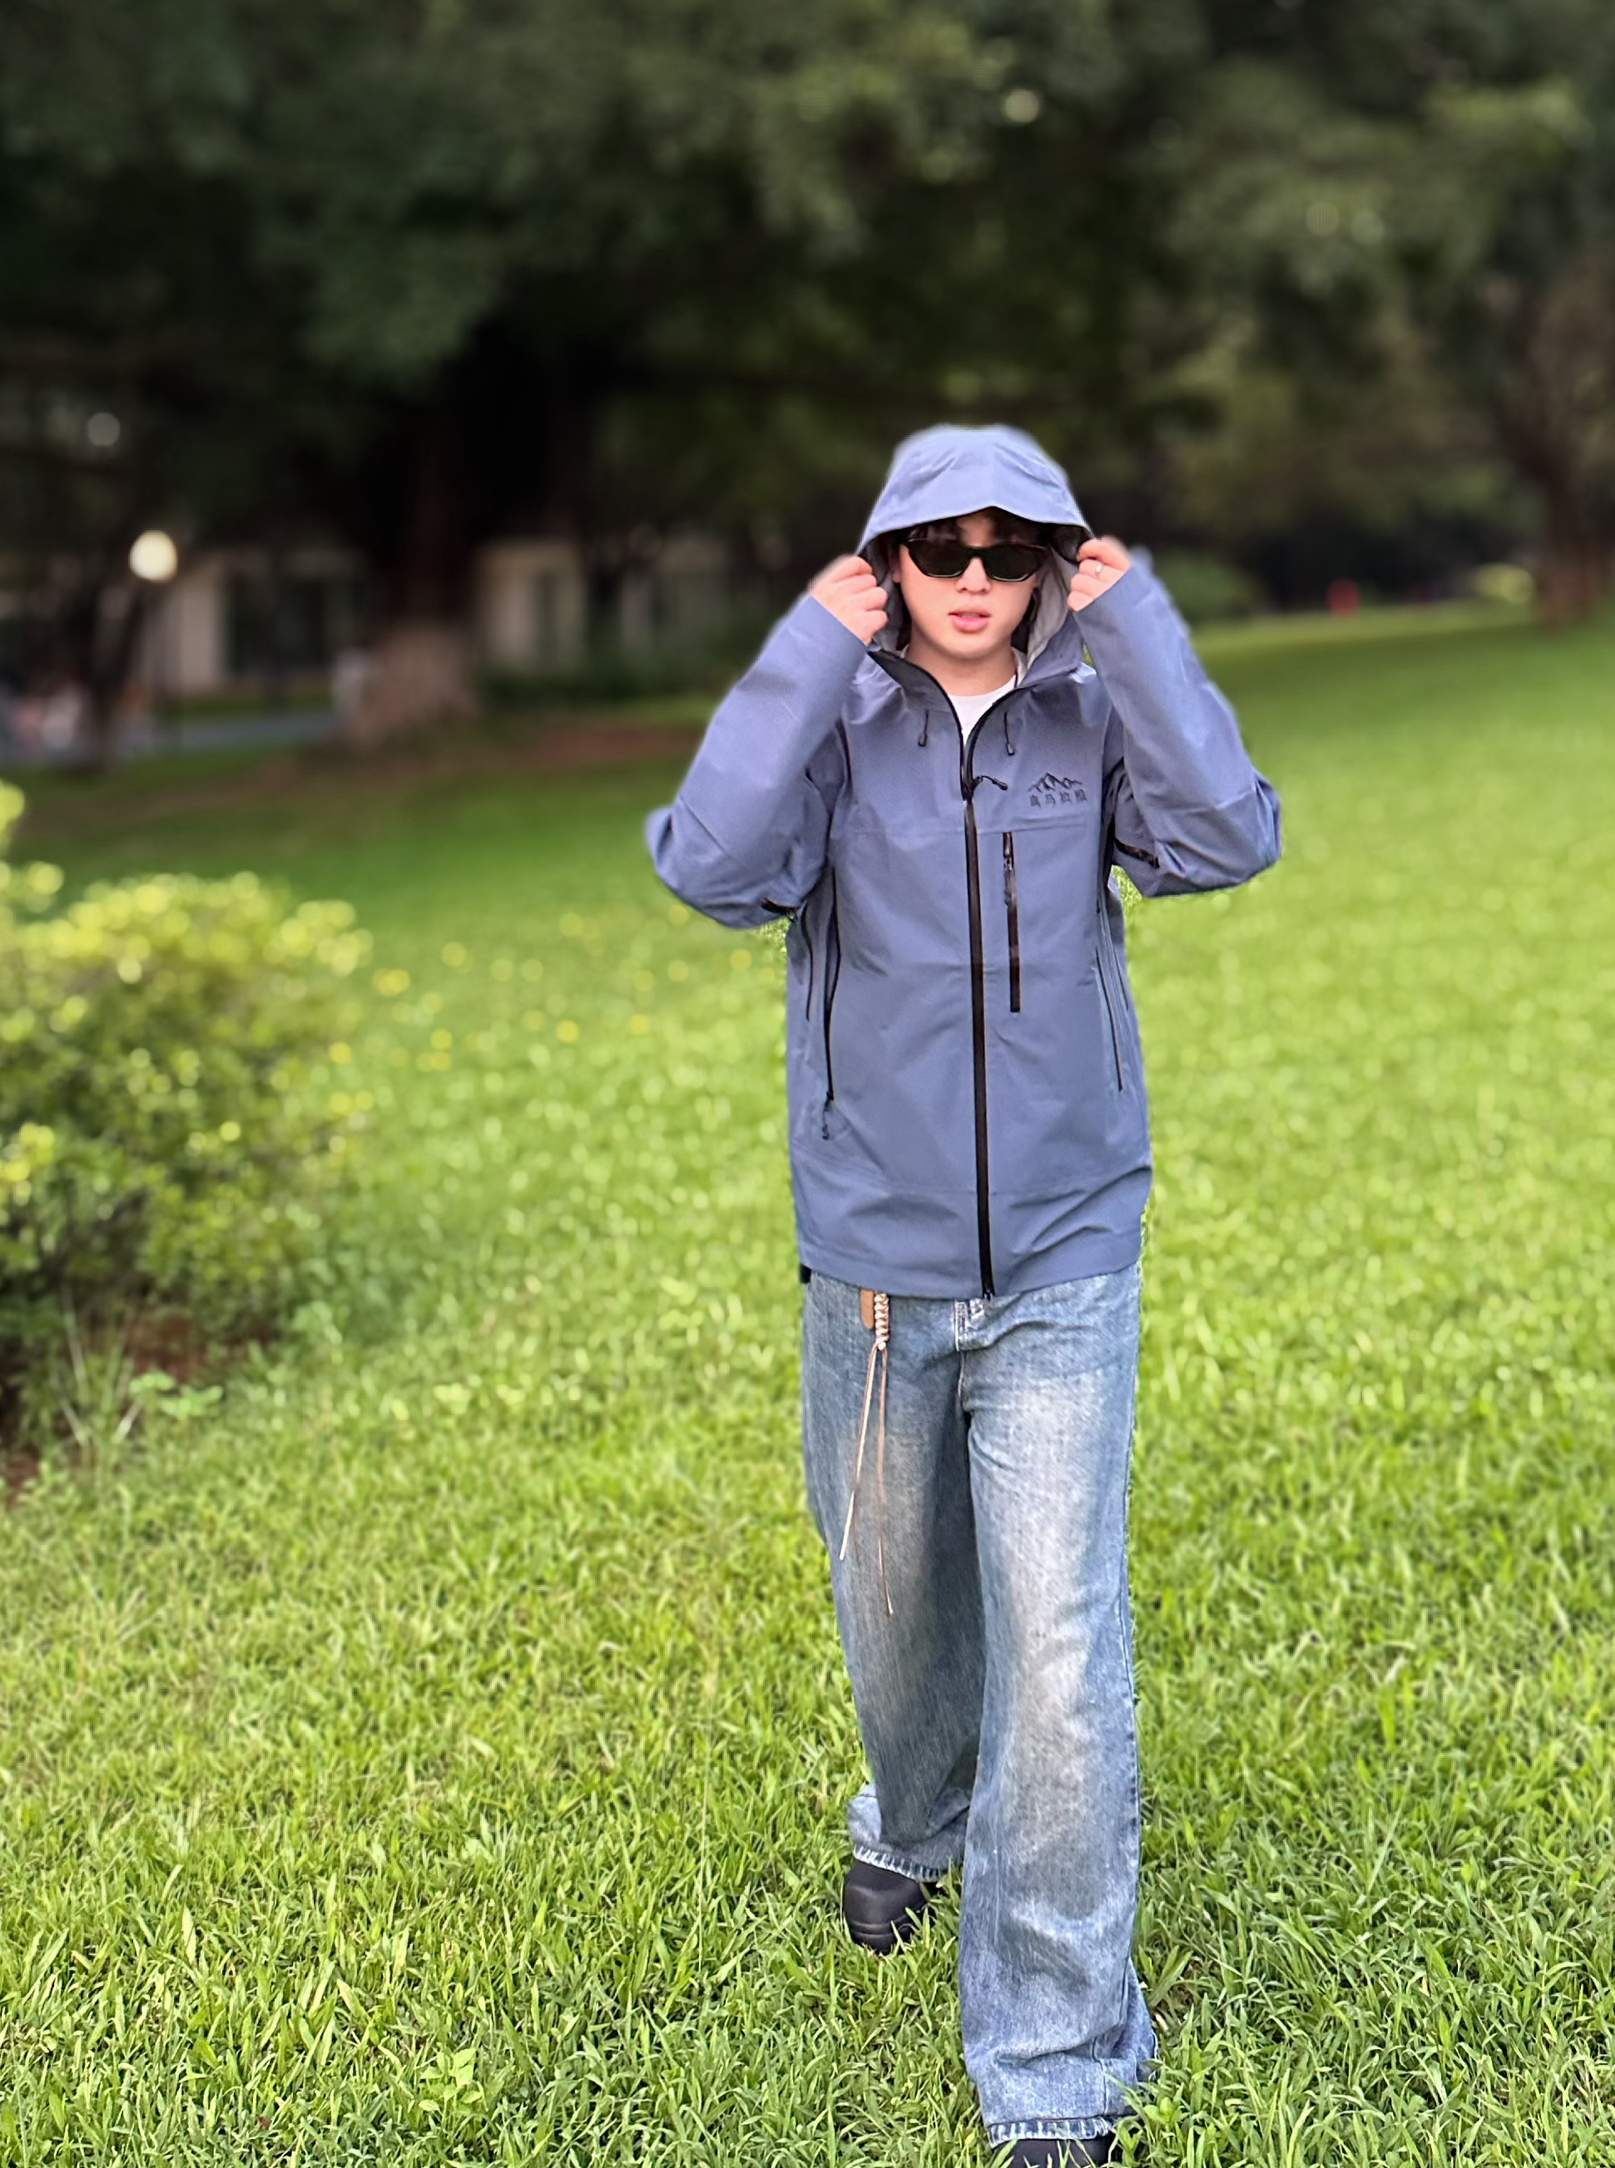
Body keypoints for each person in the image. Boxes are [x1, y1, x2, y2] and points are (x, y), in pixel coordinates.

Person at [647, 424, 1280, 2165]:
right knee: (897, 1608)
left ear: (1057, 559)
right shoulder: (837, 725)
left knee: (1059, 1647)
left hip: (1067, 1257)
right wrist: (807, 645)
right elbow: (707, 864)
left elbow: (1227, 838)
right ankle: (917, 1817)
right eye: (944, 550)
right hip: (876, 1270)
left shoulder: (1091, 710)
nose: (979, 580)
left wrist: (1140, 628)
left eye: (1014, 551)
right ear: (891, 561)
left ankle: (1057, 2053)